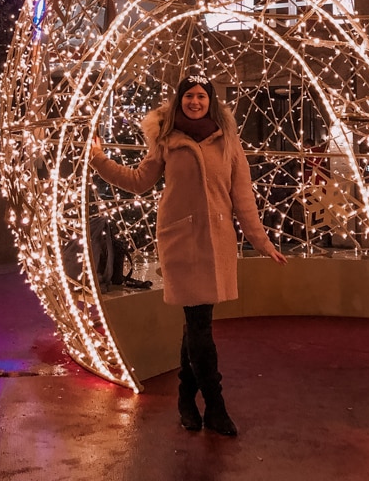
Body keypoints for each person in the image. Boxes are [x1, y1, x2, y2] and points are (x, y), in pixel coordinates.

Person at [90, 72, 286, 436]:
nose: (195, 102)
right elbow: (139, 181)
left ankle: (185, 400)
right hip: (181, 242)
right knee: (200, 326)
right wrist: (99, 159)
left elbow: (242, 196)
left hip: (217, 242)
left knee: (196, 324)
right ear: (179, 100)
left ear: (211, 101)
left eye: (201, 96)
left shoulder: (227, 140)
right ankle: (215, 406)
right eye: (189, 96)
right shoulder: (166, 140)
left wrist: (262, 242)